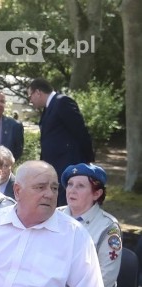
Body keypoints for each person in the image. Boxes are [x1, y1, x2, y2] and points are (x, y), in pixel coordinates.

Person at [58, 163, 121, 287]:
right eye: (70, 184)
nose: (72, 190)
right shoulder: (55, 216)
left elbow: (104, 278)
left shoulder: (108, 227)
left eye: (80, 186)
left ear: (97, 193)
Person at [28, 78, 95, 206]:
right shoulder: (49, 107)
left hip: (67, 164)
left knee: (66, 203)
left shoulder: (62, 102)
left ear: (38, 92)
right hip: (55, 165)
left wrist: (88, 159)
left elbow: (80, 131)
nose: (30, 100)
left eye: (30, 95)